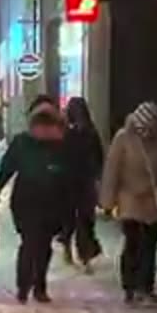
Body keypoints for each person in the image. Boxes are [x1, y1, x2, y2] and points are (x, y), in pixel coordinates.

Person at [100, 102, 157, 304]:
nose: (146, 134)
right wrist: (108, 200)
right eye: (142, 130)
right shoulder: (123, 139)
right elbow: (112, 171)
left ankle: (145, 286)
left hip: (154, 201)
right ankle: (130, 286)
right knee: (133, 242)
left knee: (149, 245)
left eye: (149, 130)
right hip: (129, 199)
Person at [0, 95, 70, 304]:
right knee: (39, 244)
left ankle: (26, 286)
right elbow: (74, 176)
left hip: (29, 200)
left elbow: (6, 170)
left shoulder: (25, 143)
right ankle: (36, 286)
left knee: (31, 244)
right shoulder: (60, 144)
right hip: (47, 201)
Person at [59, 97, 105, 271]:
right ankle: (79, 253)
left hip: (76, 181)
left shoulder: (72, 132)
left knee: (79, 219)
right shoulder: (85, 132)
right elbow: (99, 157)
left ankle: (79, 252)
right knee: (79, 219)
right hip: (79, 181)